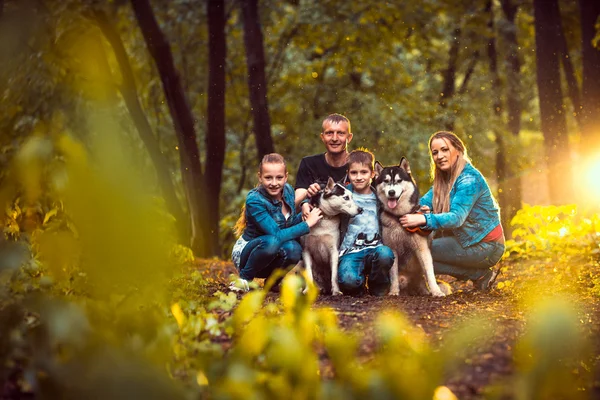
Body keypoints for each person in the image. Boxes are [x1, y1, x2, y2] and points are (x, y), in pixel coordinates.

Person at [399, 131, 505, 290]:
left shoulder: (468, 179)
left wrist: (423, 219)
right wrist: (412, 209)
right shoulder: (444, 181)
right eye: (435, 152)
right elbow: (421, 203)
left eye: (444, 149)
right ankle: (480, 275)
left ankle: (479, 275)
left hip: (488, 246)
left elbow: (456, 218)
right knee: (418, 254)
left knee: (421, 254)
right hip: (468, 241)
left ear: (459, 150)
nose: (439, 156)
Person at [231, 153, 323, 292]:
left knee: (294, 249)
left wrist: (305, 207)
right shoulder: (255, 200)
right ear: (260, 177)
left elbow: (288, 225)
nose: (274, 183)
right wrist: (307, 224)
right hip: (248, 254)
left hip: (272, 252)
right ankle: (244, 280)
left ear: (286, 176)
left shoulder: (288, 190)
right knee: (272, 241)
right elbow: (277, 234)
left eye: (279, 178)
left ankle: (272, 282)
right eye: (268, 178)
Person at [337, 149, 395, 296]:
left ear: (372, 174)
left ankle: (377, 283)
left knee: (385, 254)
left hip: (376, 249)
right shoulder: (343, 194)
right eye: (354, 173)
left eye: (364, 172)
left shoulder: (381, 197)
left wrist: (421, 209)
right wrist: (306, 201)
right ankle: (358, 283)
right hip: (350, 252)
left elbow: (402, 204)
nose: (359, 177)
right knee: (348, 281)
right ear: (348, 174)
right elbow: (323, 195)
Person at [295, 113, 353, 210]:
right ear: (322, 137)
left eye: (340, 133)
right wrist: (307, 193)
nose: (334, 138)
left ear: (349, 138)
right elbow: (295, 204)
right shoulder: (308, 163)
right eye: (329, 133)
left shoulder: (359, 166)